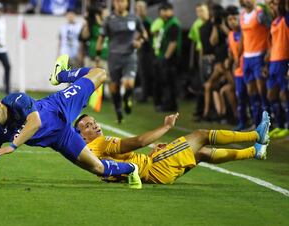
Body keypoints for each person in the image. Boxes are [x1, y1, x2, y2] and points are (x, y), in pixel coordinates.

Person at [0, 55, 142, 189]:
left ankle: (61, 75)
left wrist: (13, 145)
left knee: (100, 73)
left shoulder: (16, 99)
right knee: (98, 168)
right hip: (61, 138)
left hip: (60, 105)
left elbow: (35, 123)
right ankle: (132, 168)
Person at [74, 111, 270, 184]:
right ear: (82, 136)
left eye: (94, 122)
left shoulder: (91, 155)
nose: (96, 126)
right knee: (200, 136)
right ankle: (255, 135)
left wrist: (152, 152)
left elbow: (126, 164)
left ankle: (255, 151)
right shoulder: (99, 142)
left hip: (153, 170)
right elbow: (139, 141)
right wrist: (166, 126)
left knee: (200, 154)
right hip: (156, 168)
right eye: (88, 126)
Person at [96, 0, 147, 123]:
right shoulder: (109, 19)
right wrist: (97, 56)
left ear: (127, 3)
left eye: (122, 1)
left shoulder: (134, 18)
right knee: (114, 87)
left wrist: (139, 42)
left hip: (130, 56)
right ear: (114, 4)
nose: (119, 4)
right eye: (117, 2)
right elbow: (101, 37)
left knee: (129, 84)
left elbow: (144, 34)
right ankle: (118, 111)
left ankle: (126, 98)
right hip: (114, 57)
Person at [239, 0, 271, 126]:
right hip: (247, 58)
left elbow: (271, 30)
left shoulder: (260, 14)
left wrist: (269, 51)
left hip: (260, 55)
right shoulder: (241, 16)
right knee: (251, 91)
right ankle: (256, 122)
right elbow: (243, 36)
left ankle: (267, 123)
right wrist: (238, 56)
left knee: (261, 90)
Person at [151, 2, 182, 112]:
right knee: (165, 82)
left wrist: (165, 57)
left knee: (168, 82)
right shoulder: (166, 23)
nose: (162, 13)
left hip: (171, 59)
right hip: (165, 57)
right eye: (161, 10)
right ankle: (169, 104)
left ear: (170, 11)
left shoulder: (173, 24)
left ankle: (169, 105)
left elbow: (173, 43)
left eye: (165, 10)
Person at [266, 0, 289, 138]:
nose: (272, 7)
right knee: (271, 95)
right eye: (271, 5)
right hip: (273, 62)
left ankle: (287, 126)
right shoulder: (275, 21)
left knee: (284, 94)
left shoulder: (286, 19)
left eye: (274, 4)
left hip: (283, 61)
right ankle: (279, 125)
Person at [226, 5, 248, 130]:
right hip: (238, 70)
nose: (232, 22)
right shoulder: (230, 35)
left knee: (252, 96)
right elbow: (231, 50)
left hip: (247, 67)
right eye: (229, 19)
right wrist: (229, 59)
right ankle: (242, 122)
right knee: (240, 96)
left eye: (234, 18)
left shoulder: (244, 32)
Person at [135, 0, 153, 103]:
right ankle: (144, 93)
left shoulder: (147, 21)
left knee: (144, 73)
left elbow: (146, 37)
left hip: (146, 50)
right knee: (142, 73)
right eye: (138, 8)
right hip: (141, 50)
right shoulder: (138, 21)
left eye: (141, 8)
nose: (139, 10)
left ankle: (145, 96)